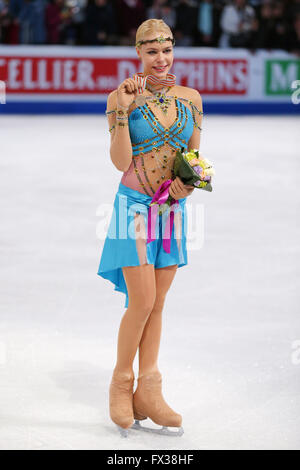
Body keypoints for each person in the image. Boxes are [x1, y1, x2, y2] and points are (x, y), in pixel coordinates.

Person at [97, 18, 203, 437]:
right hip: (133, 208)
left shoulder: (191, 98)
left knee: (158, 303)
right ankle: (121, 383)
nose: (162, 59)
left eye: (168, 49)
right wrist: (122, 110)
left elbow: (195, 159)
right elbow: (121, 162)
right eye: (152, 51)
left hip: (172, 209)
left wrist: (188, 184)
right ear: (138, 53)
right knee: (141, 300)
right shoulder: (119, 98)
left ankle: (150, 391)